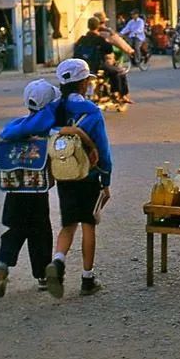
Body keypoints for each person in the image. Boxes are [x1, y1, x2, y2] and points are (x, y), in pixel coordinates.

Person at [42, 59, 113, 297]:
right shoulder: (91, 112)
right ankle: (87, 278)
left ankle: (58, 261)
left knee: (68, 224)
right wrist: (106, 180)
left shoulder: (55, 109)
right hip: (88, 176)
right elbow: (103, 150)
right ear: (83, 83)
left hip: (64, 176)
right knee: (88, 225)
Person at [0, 79, 61, 297]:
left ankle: (3, 264)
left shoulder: (16, 128)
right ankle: (42, 275)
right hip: (37, 190)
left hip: (14, 189)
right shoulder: (46, 129)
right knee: (40, 231)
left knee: (15, 229)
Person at [74, 17, 131, 104]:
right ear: (98, 26)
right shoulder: (99, 38)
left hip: (82, 66)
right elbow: (109, 49)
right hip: (97, 65)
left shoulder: (82, 39)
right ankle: (116, 92)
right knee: (118, 71)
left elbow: (75, 51)